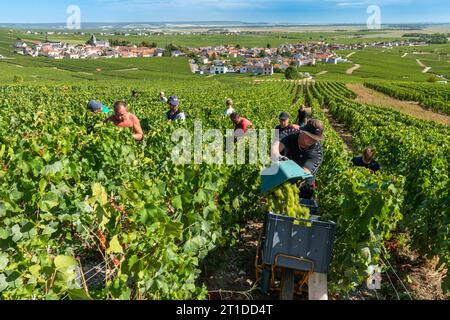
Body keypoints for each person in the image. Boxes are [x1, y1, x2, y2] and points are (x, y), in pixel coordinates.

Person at [272, 119, 324, 200]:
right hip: (286, 177)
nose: (312, 140)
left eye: (315, 139)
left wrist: (286, 166)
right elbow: (275, 148)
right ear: (303, 132)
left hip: (304, 185)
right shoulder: (290, 134)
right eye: (310, 136)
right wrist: (279, 157)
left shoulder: (317, 152)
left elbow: (303, 172)